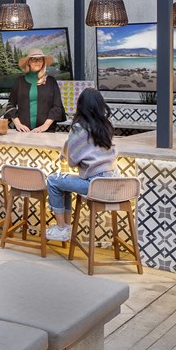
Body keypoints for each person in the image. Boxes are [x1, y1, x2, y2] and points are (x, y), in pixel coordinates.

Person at [44, 88, 118, 242]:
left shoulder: (79, 128)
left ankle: (62, 228)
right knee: (65, 183)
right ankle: (66, 228)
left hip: (94, 185)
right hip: (114, 182)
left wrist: (66, 152)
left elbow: (72, 162)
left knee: (53, 180)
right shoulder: (107, 126)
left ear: (80, 106)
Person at [8, 48, 65, 134]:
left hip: (46, 131)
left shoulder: (51, 81)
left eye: (41, 59)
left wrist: (44, 127)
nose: (38, 62)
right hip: (23, 131)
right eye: (34, 59)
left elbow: (57, 106)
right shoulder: (19, 81)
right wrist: (18, 124)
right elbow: (10, 104)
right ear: (28, 62)